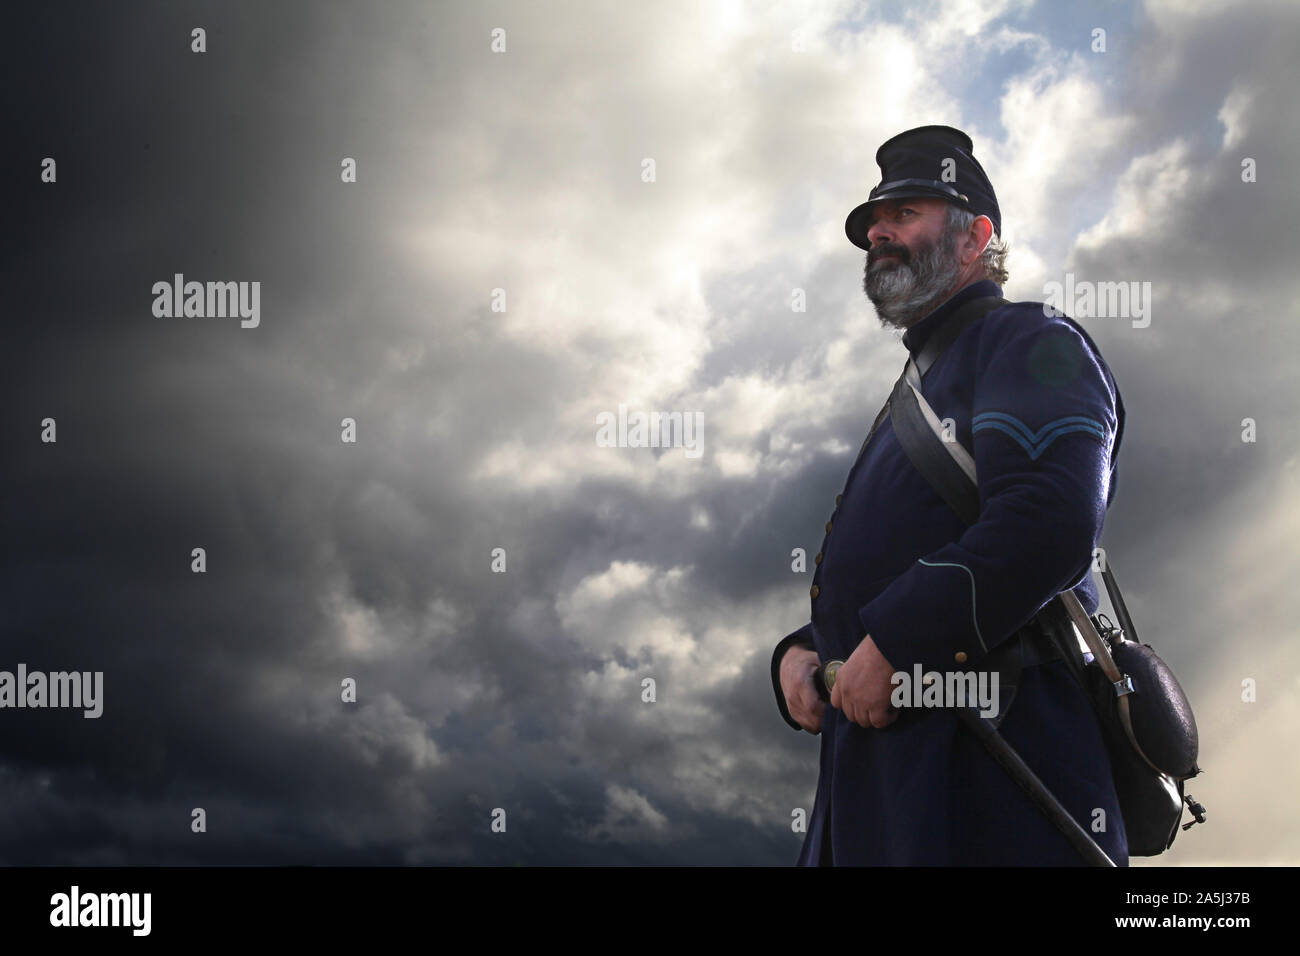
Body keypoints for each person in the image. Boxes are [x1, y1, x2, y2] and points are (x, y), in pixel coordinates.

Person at [769, 125, 1129, 865]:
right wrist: (807, 653)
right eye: (875, 224)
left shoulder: (1032, 342)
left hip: (995, 786)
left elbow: (1048, 521)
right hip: (879, 795)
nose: (878, 233)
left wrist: (901, 642)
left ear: (977, 238)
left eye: (905, 214)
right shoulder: (917, 389)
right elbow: (900, 556)